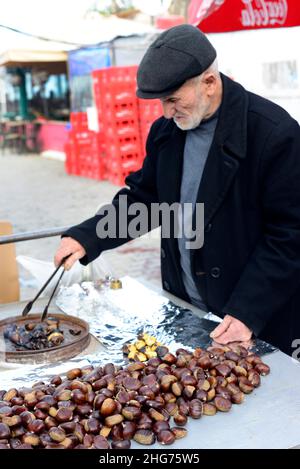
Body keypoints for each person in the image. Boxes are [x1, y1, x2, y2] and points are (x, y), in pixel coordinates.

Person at [55, 25, 300, 357]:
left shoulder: (274, 133)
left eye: (173, 99)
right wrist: (87, 237)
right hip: (188, 308)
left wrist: (247, 311)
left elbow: (289, 235)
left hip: (251, 318)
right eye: (161, 102)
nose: (166, 112)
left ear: (209, 82)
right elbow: (146, 200)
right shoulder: (166, 131)